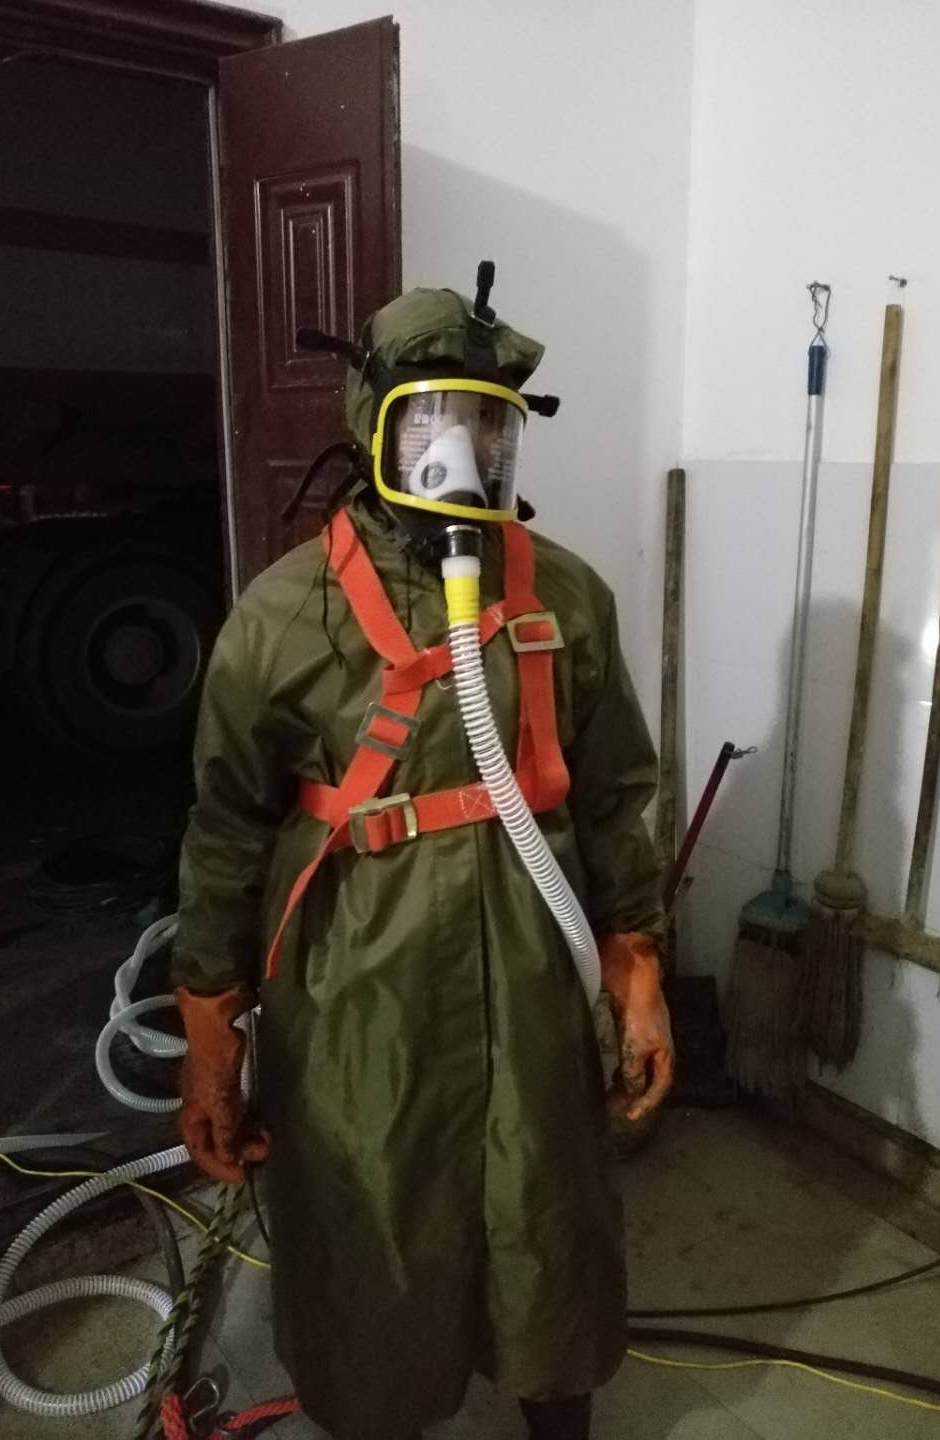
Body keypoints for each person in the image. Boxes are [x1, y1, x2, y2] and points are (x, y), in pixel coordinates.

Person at [172, 267, 674, 1440]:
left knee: (544, 1217)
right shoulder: (285, 615)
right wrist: (209, 1031)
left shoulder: (566, 601)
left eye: (487, 426)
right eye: (431, 423)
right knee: (370, 1233)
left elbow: (615, 801)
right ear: (372, 426)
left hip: (534, 978)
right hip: (358, 991)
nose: (462, 453)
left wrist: (637, 969)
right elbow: (226, 829)